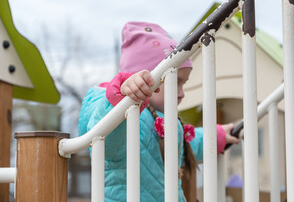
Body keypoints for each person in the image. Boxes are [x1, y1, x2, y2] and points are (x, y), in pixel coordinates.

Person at [78, 21, 240, 202]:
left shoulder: (165, 120)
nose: (181, 93)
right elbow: (107, 140)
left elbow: (185, 146)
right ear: (144, 79)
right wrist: (121, 100)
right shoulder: (113, 106)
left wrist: (216, 136)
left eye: (183, 83)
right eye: (174, 82)